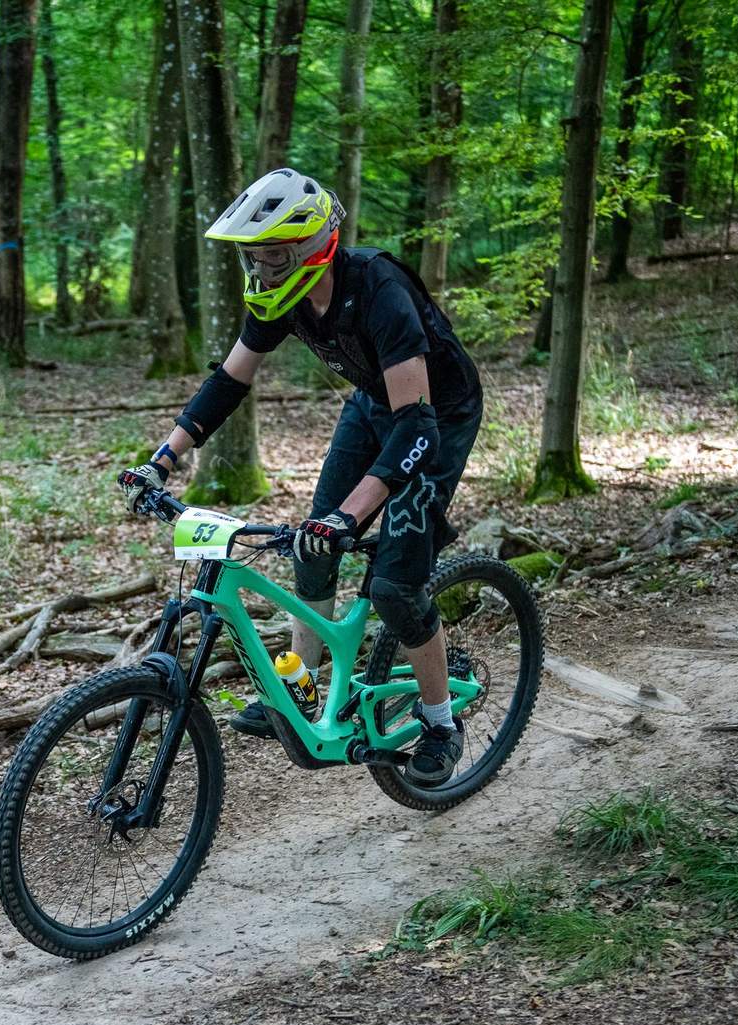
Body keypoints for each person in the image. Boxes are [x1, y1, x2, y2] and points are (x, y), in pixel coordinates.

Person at [119, 167, 484, 787]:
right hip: (373, 406)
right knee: (312, 550)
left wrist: (351, 514)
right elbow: (229, 381)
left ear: (312, 248)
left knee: (395, 587)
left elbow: (416, 426)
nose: (260, 270)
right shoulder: (282, 296)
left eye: (271, 256)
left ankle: (440, 721)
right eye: (252, 258)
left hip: (434, 418)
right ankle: (303, 686)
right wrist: (162, 458)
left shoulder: (380, 289)